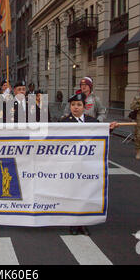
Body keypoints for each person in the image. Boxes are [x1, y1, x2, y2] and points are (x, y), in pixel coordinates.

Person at [60, 93, 118, 235]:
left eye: (79, 105)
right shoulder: (63, 122)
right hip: (71, 165)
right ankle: (73, 224)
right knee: (72, 194)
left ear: (84, 107)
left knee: (85, 194)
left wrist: (109, 128)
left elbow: (99, 134)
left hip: (86, 165)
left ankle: (83, 223)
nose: (75, 108)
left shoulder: (91, 121)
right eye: (73, 105)